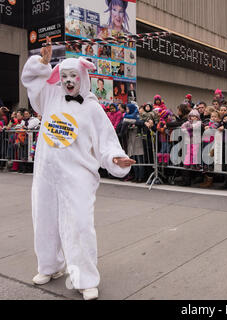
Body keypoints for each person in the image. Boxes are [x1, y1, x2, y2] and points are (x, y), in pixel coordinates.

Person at [21, 37, 135, 300]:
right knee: (44, 219)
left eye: (73, 75)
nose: (69, 80)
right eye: (64, 76)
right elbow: (32, 82)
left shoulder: (93, 108)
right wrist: (43, 63)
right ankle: (50, 266)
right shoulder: (50, 96)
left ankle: (85, 278)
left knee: (80, 225)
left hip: (78, 175)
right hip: (46, 173)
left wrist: (116, 158)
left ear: (83, 76)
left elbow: (106, 141)